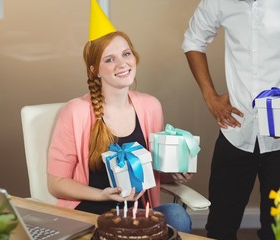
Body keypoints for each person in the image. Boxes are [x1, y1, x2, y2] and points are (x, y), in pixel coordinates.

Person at [46, 0, 191, 233]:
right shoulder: (75, 112)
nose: (122, 64)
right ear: (94, 69)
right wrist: (102, 194)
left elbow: (150, 172)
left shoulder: (150, 106)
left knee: (177, 216)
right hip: (92, 214)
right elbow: (56, 184)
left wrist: (173, 172)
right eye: (109, 59)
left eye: (126, 54)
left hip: (139, 214)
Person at [182, 1, 280, 239]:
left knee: (279, 231)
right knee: (220, 226)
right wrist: (210, 96)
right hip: (236, 131)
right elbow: (193, 41)